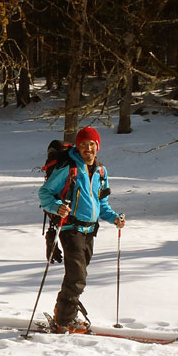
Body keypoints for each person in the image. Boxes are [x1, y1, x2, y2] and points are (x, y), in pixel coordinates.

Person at [38, 127, 125, 333]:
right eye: (83, 144)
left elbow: (102, 203)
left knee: (76, 276)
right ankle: (65, 320)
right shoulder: (69, 168)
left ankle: (63, 313)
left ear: (97, 146)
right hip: (70, 228)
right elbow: (45, 193)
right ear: (78, 146)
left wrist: (114, 218)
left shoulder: (101, 171)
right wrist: (57, 207)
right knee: (77, 277)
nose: (88, 148)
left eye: (91, 144)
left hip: (89, 231)